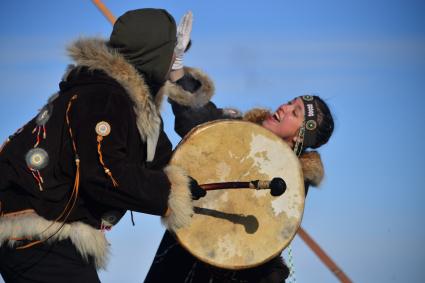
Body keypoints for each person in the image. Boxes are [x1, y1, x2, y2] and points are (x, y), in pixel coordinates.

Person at [0, 9, 208, 283]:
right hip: (35, 231)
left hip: (47, 233)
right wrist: (171, 191)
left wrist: (196, 182)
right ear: (154, 54)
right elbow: (104, 173)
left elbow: (163, 160)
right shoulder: (104, 97)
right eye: (171, 51)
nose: (175, 58)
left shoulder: (122, 98)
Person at [145, 15, 335, 283]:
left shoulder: (289, 184)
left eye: (295, 112)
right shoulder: (234, 131)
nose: (283, 107)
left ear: (299, 137)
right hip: (179, 255)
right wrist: (176, 67)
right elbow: (198, 120)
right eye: (289, 102)